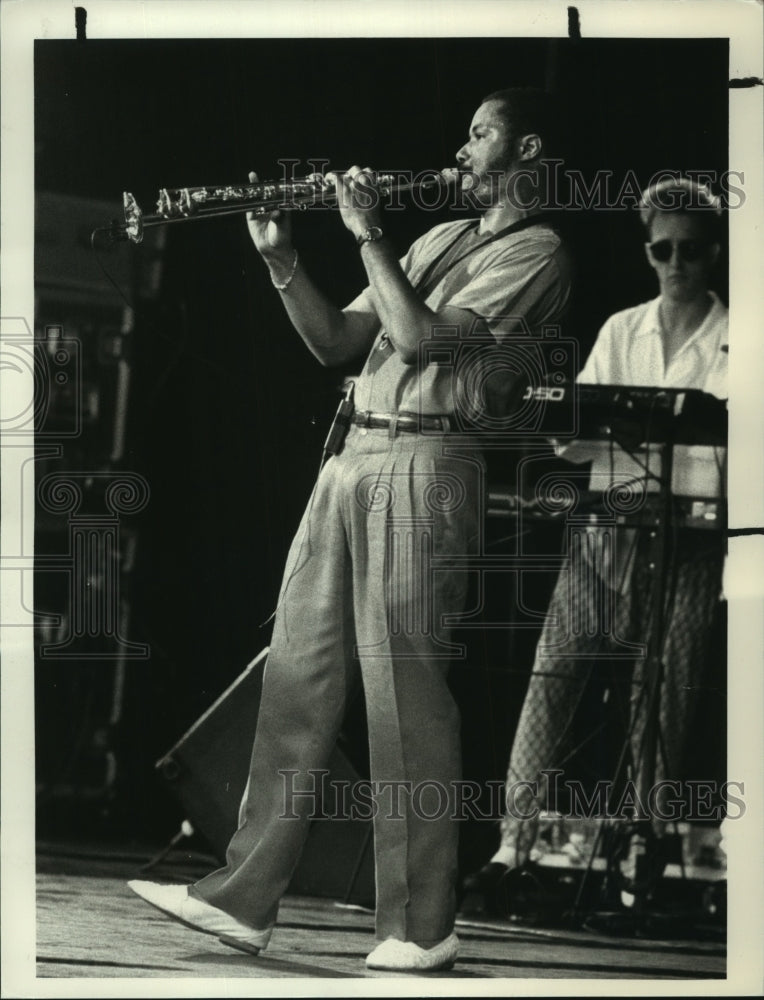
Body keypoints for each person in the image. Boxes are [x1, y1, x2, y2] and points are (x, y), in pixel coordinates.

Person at [128, 87, 571, 972]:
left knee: (404, 697)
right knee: (297, 676)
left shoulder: (539, 250)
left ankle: (420, 926)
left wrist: (366, 232)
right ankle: (244, 898)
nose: (462, 145)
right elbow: (337, 342)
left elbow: (413, 338)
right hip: (352, 458)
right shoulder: (441, 237)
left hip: (427, 466)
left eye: (482, 132)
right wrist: (284, 258)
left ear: (528, 153)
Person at [463, 177, 728, 906]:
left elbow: (726, 450)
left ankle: (644, 843)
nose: (677, 263)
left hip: (687, 550)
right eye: (664, 249)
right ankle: (511, 846)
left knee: (662, 699)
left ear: (714, 255)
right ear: (648, 253)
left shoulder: (740, 338)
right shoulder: (622, 330)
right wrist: (560, 421)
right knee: (551, 682)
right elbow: (579, 439)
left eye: (693, 251)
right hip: (605, 540)